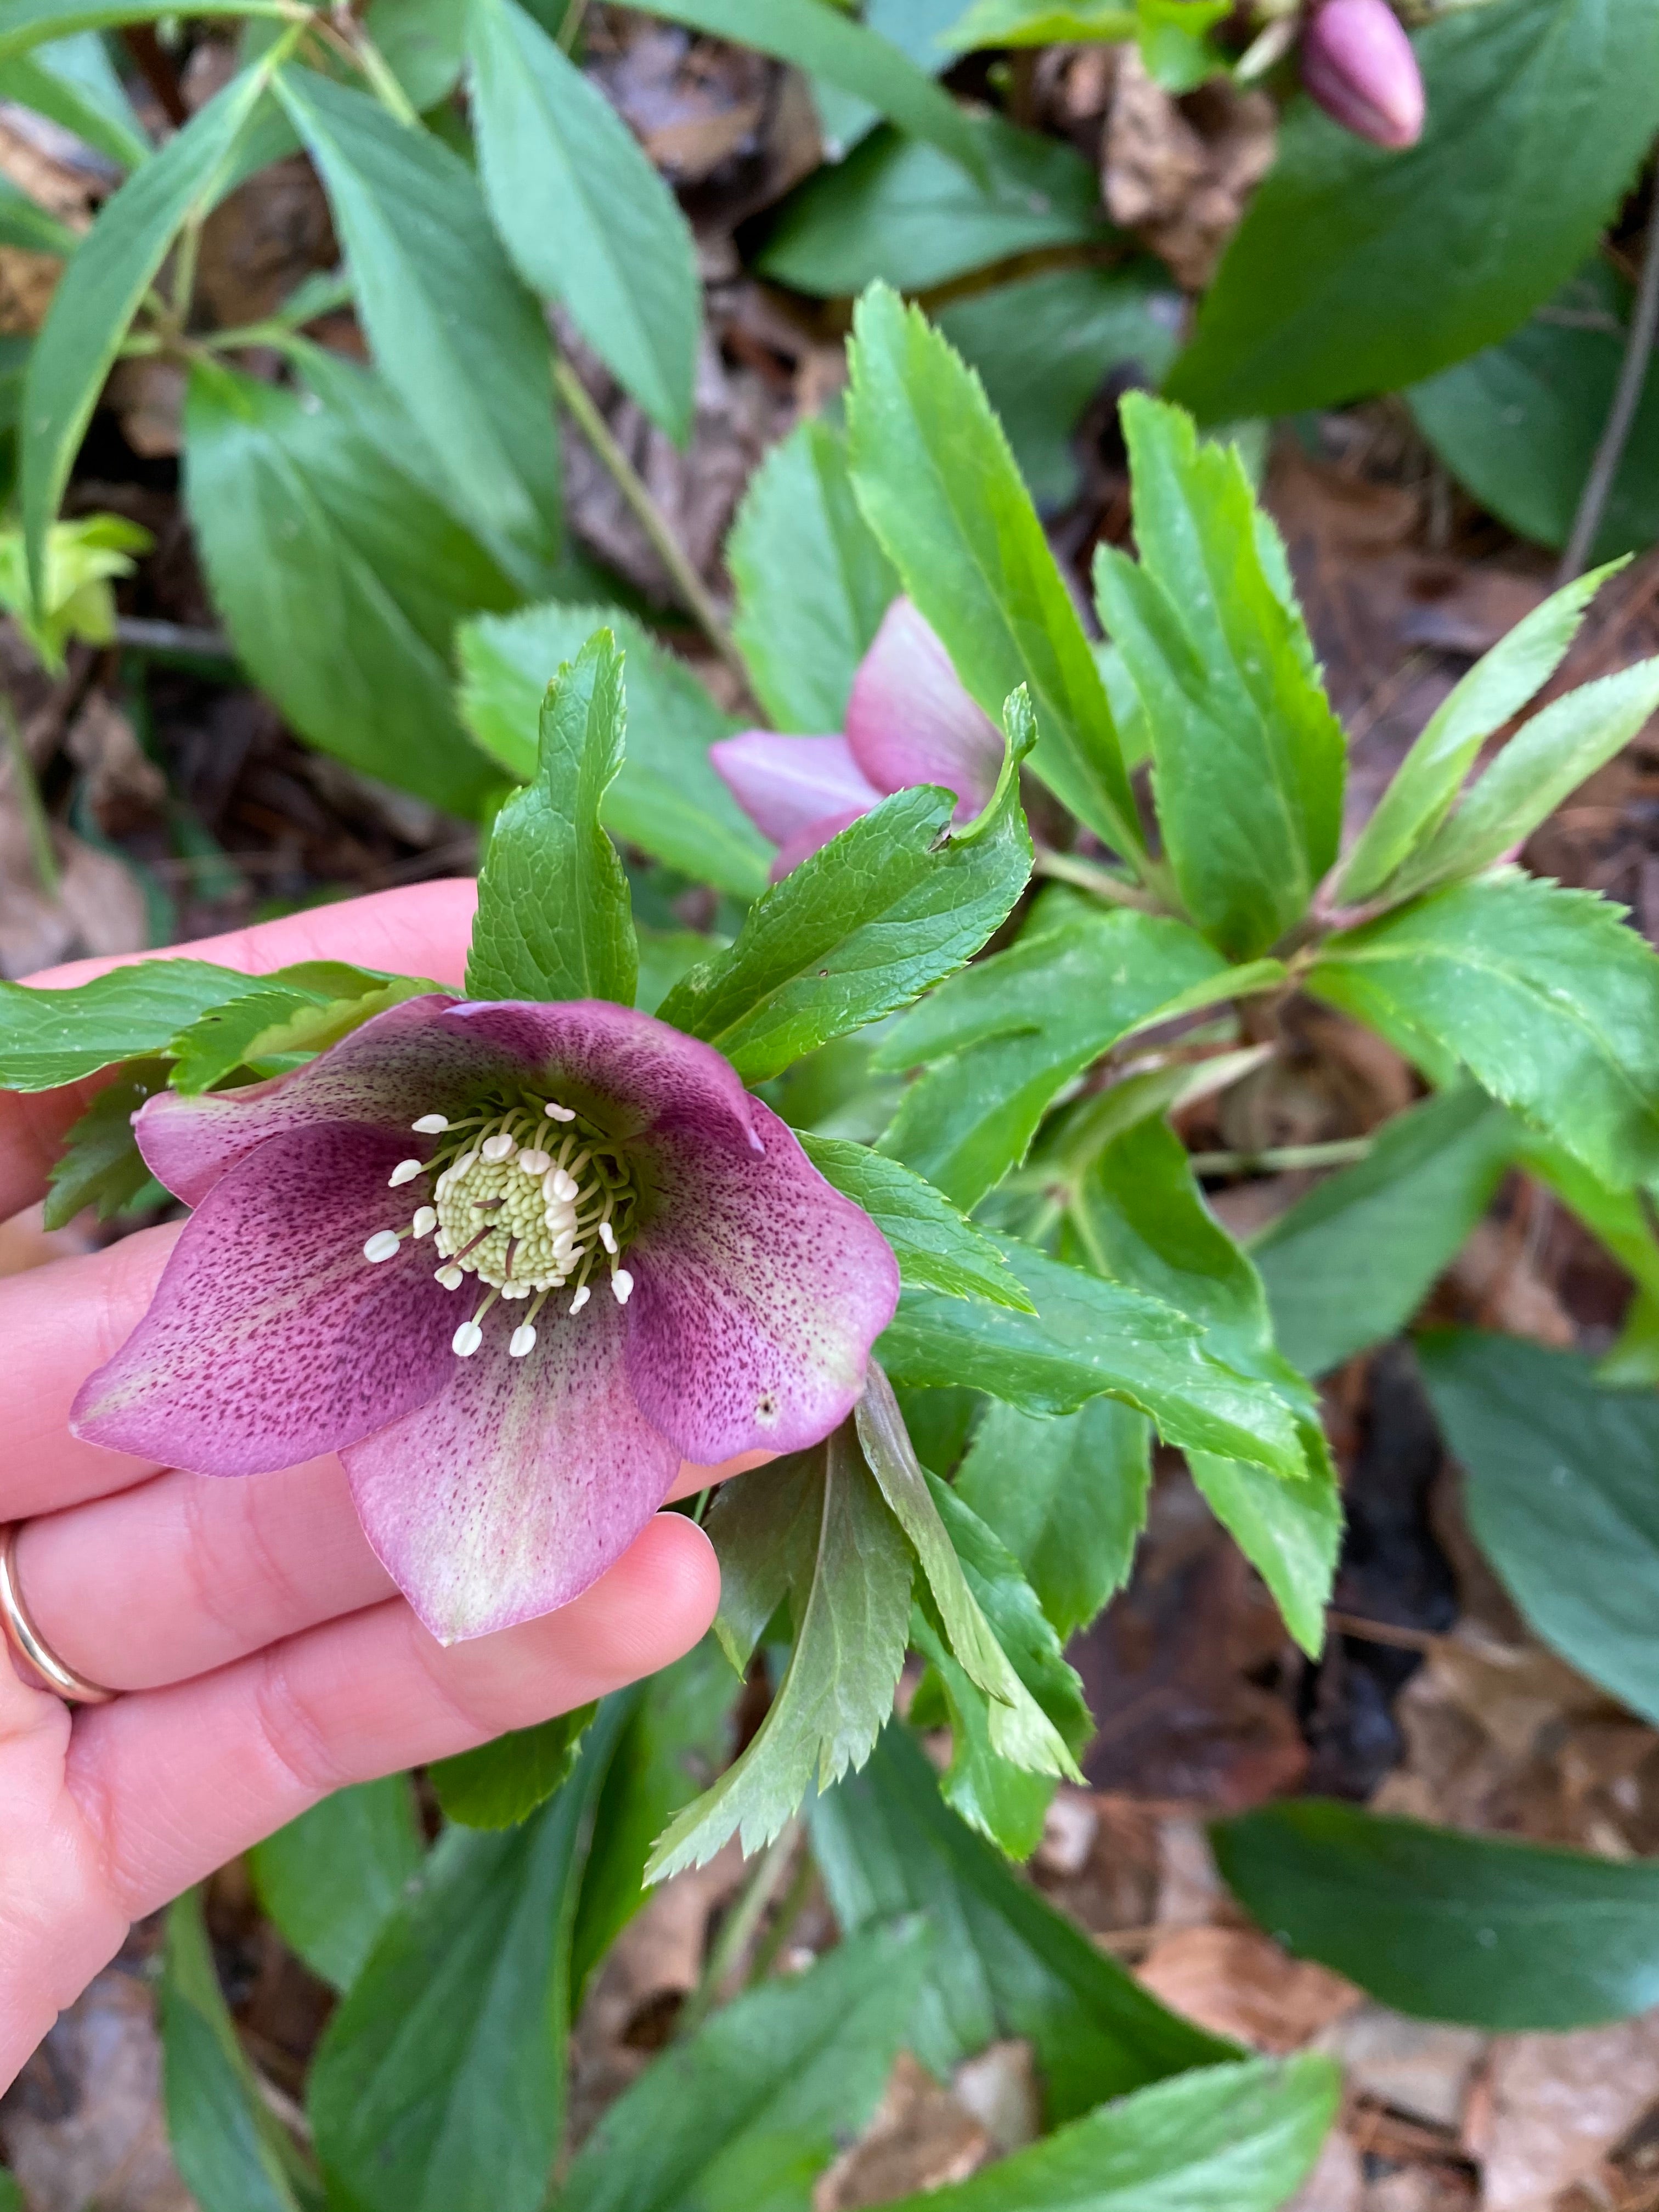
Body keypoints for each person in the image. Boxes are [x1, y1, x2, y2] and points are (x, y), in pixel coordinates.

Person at [0, 881, 724, 2090]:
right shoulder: (374, 1119)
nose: (504, 1221)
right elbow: (207, 1132)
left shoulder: (726, 1238)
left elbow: (796, 1340)